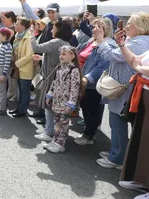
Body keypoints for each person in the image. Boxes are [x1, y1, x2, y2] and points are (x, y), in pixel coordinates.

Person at [95, 12, 149, 169]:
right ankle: (117, 152)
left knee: (117, 122)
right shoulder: (138, 40)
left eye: (129, 22)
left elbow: (114, 56)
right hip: (128, 87)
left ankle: (117, 158)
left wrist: (101, 41)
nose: (125, 25)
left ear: (139, 26)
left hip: (124, 88)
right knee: (117, 121)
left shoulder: (139, 42)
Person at [116, 26, 149, 198]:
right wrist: (122, 45)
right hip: (144, 93)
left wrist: (139, 68)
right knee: (141, 138)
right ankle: (141, 179)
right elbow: (134, 60)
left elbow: (138, 65)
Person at [32, 19, 73, 142]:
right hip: (58, 79)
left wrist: (31, 34)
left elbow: (36, 47)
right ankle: (49, 130)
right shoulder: (65, 42)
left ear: (59, 30)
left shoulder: (56, 42)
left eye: (53, 28)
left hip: (51, 80)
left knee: (48, 107)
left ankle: (49, 132)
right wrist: (42, 57)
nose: (51, 30)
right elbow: (54, 57)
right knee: (51, 108)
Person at [74, 18, 112, 146]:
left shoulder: (108, 45)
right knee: (85, 107)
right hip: (83, 80)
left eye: (98, 27)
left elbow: (102, 66)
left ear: (105, 30)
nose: (93, 29)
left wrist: (87, 78)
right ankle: (88, 132)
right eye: (93, 26)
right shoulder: (91, 41)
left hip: (93, 83)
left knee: (92, 109)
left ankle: (89, 136)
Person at [45, 46, 81, 153]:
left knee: (64, 122)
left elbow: (75, 88)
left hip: (66, 102)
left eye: (64, 54)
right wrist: (50, 94)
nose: (61, 56)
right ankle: (55, 139)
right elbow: (54, 82)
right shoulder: (60, 68)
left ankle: (61, 143)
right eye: (61, 54)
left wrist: (71, 103)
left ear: (72, 56)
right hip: (57, 100)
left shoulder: (73, 70)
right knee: (57, 121)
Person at [10, 17, 34, 117]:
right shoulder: (18, 35)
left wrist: (17, 63)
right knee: (20, 89)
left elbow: (29, 55)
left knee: (24, 91)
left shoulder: (29, 37)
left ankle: (22, 110)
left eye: (17, 24)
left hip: (25, 68)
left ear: (23, 26)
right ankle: (19, 108)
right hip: (19, 67)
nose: (15, 25)